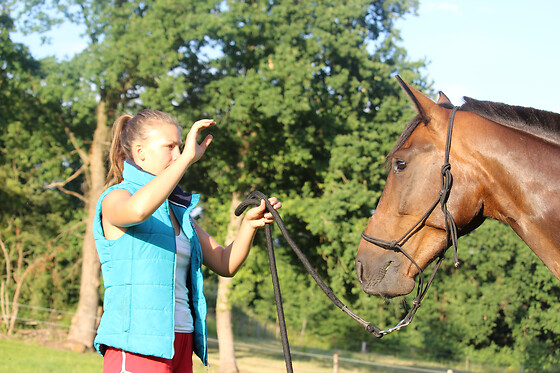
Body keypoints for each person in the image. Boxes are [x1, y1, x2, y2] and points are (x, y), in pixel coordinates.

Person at [92, 109, 281, 373]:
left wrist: (248, 225)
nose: (179, 155)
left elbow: (225, 263)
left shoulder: (178, 213)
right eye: (169, 147)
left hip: (182, 341)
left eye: (180, 147)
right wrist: (186, 161)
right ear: (140, 152)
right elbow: (138, 211)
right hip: (137, 344)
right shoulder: (116, 198)